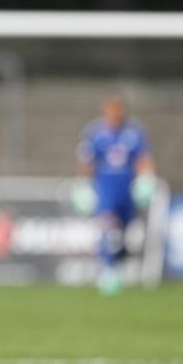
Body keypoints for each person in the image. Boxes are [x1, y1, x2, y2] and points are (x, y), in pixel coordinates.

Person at [74, 94, 156, 295]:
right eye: (110, 109)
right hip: (106, 185)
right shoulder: (94, 132)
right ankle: (108, 271)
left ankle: (117, 263)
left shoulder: (135, 132)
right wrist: (82, 185)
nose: (114, 114)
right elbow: (87, 162)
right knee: (108, 227)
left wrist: (146, 179)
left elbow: (143, 158)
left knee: (126, 232)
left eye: (117, 109)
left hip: (127, 185)